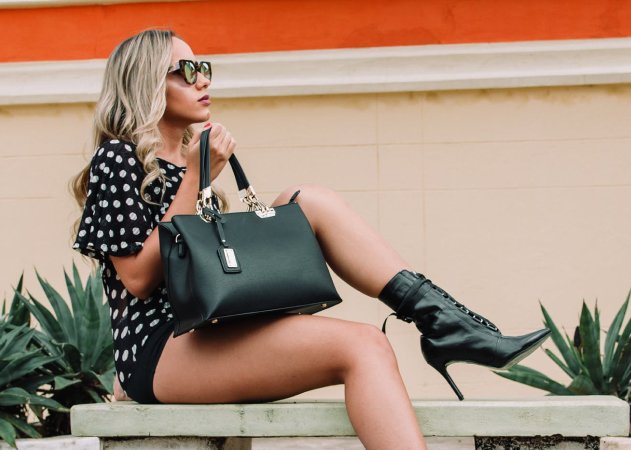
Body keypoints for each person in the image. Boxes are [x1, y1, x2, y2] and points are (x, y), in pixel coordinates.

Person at [71, 29, 550, 450]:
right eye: (187, 71)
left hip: (212, 327)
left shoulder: (191, 160)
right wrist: (196, 177)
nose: (203, 81)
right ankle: (451, 332)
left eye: (205, 68)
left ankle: (442, 321)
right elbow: (138, 278)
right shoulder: (118, 158)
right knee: (364, 346)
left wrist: (198, 173)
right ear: (147, 82)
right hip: (162, 346)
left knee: (310, 200)